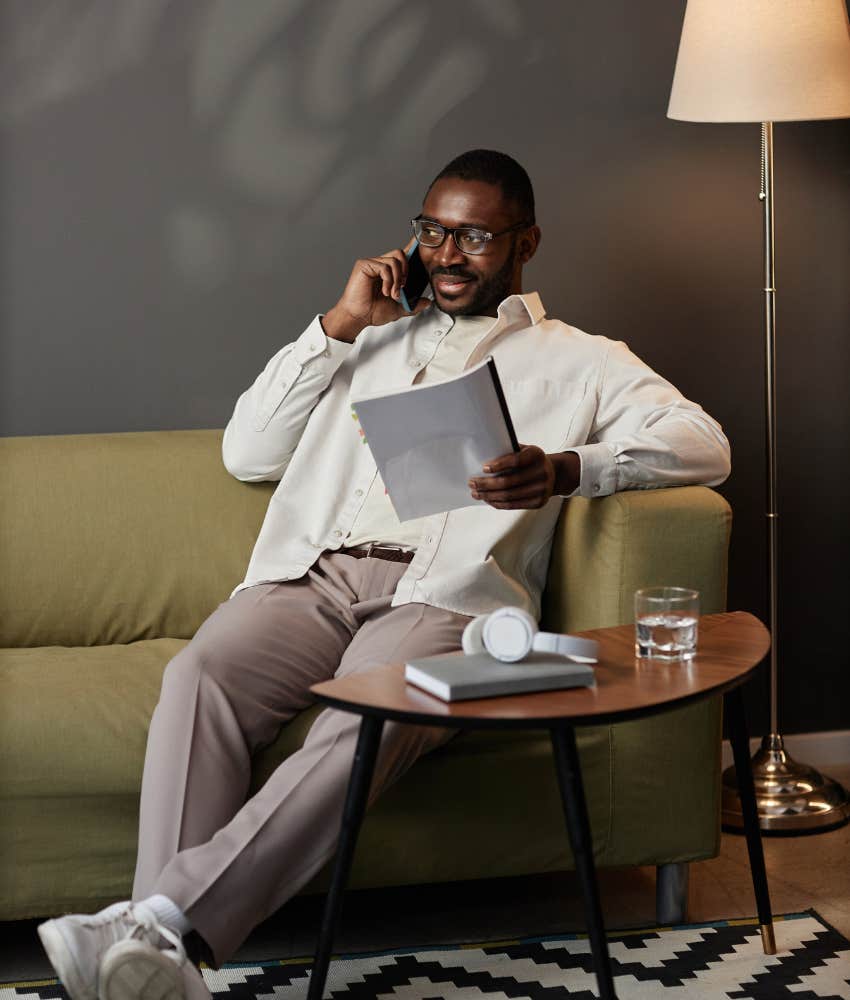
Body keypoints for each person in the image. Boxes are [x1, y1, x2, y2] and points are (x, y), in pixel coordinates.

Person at [37, 149, 731, 999]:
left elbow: (706, 442)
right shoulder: (365, 337)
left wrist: (565, 468)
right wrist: (335, 325)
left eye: (474, 235)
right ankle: (160, 952)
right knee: (199, 674)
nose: (446, 253)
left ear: (527, 241)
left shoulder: (580, 360)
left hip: (441, 601)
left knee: (367, 720)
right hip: (312, 581)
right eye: (433, 231)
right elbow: (246, 451)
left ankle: (156, 927)